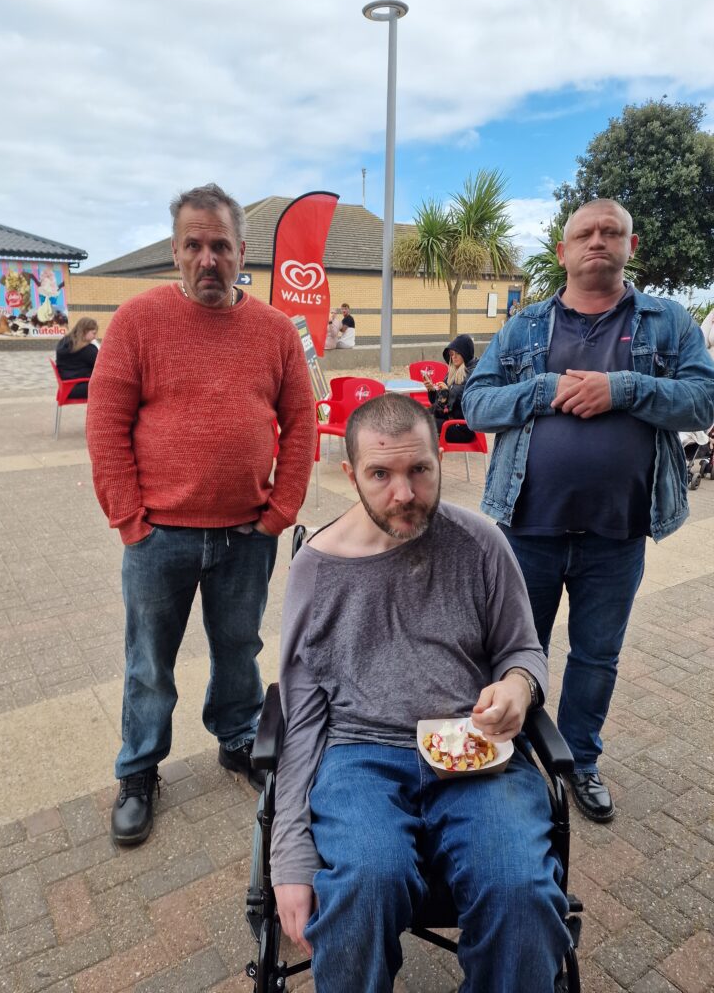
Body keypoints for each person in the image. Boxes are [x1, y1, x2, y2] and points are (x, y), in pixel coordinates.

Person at [271, 393, 571, 993]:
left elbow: (522, 648)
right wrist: (291, 857)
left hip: (474, 748)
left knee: (520, 890)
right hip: (359, 754)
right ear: (350, 473)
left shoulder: (480, 543)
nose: (404, 493)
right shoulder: (316, 570)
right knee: (364, 882)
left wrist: (519, 686)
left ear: (441, 459)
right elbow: (300, 721)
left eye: (419, 470)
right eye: (381, 474)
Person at [462, 198, 714, 823]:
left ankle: (578, 759)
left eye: (611, 232)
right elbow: (476, 404)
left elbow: (704, 401)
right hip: (527, 528)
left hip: (618, 532)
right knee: (517, 650)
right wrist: (546, 389)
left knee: (597, 656)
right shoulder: (525, 326)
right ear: (563, 251)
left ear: (631, 246)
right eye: (584, 233)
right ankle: (515, 757)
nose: (597, 240)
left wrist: (621, 389)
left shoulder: (668, 322)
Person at [86, 183, 316, 846]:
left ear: (242, 251)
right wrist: (130, 519)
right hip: (158, 536)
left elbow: (302, 421)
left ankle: (238, 736)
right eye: (194, 245)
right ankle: (139, 769)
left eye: (220, 245)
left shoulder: (275, 331)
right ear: (176, 252)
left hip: (247, 534)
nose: (208, 259)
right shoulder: (138, 321)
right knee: (148, 662)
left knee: (240, 650)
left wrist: (280, 511)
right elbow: (105, 423)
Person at [423, 333, 478, 443]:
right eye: (452, 354)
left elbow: (462, 399)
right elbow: (441, 404)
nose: (454, 357)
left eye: (458, 353)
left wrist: (447, 392)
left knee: (421, 425)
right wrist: (433, 390)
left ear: (466, 353)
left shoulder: (473, 374)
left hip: (463, 427)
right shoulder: (453, 372)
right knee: (417, 418)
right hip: (450, 419)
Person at [55, 317, 99, 398]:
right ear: (85, 331)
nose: (95, 337)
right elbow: (101, 366)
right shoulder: (87, 350)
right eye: (94, 333)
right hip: (78, 387)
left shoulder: (64, 342)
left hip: (67, 386)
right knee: (112, 386)